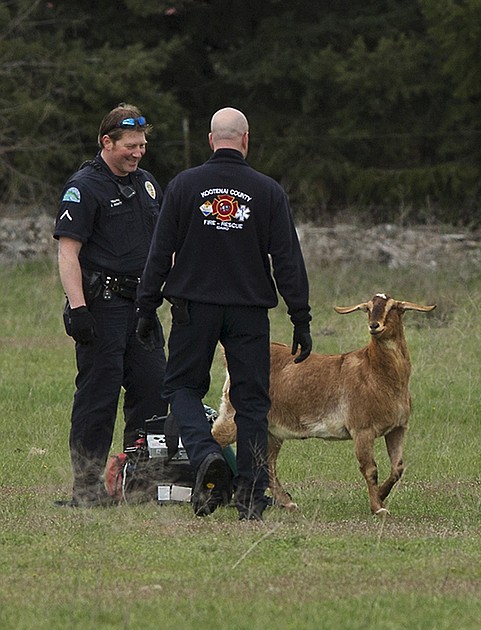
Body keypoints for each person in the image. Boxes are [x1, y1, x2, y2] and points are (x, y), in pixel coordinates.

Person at [135, 107, 312, 521]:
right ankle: (251, 498)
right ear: (246, 140)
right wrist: (300, 317)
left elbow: (159, 251)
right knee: (252, 402)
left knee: (181, 388)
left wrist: (147, 305)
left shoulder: (183, 186)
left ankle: (206, 455)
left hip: (194, 306)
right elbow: (287, 259)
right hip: (249, 312)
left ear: (212, 140)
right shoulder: (268, 191)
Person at [52, 104, 168, 507]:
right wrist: (78, 308)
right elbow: (68, 253)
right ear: (107, 142)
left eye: (142, 145)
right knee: (97, 400)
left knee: (152, 394)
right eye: (130, 146)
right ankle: (86, 490)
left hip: (142, 309)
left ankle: (139, 485)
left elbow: (161, 248)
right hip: (101, 308)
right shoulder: (84, 187)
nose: (138, 153)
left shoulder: (148, 185)